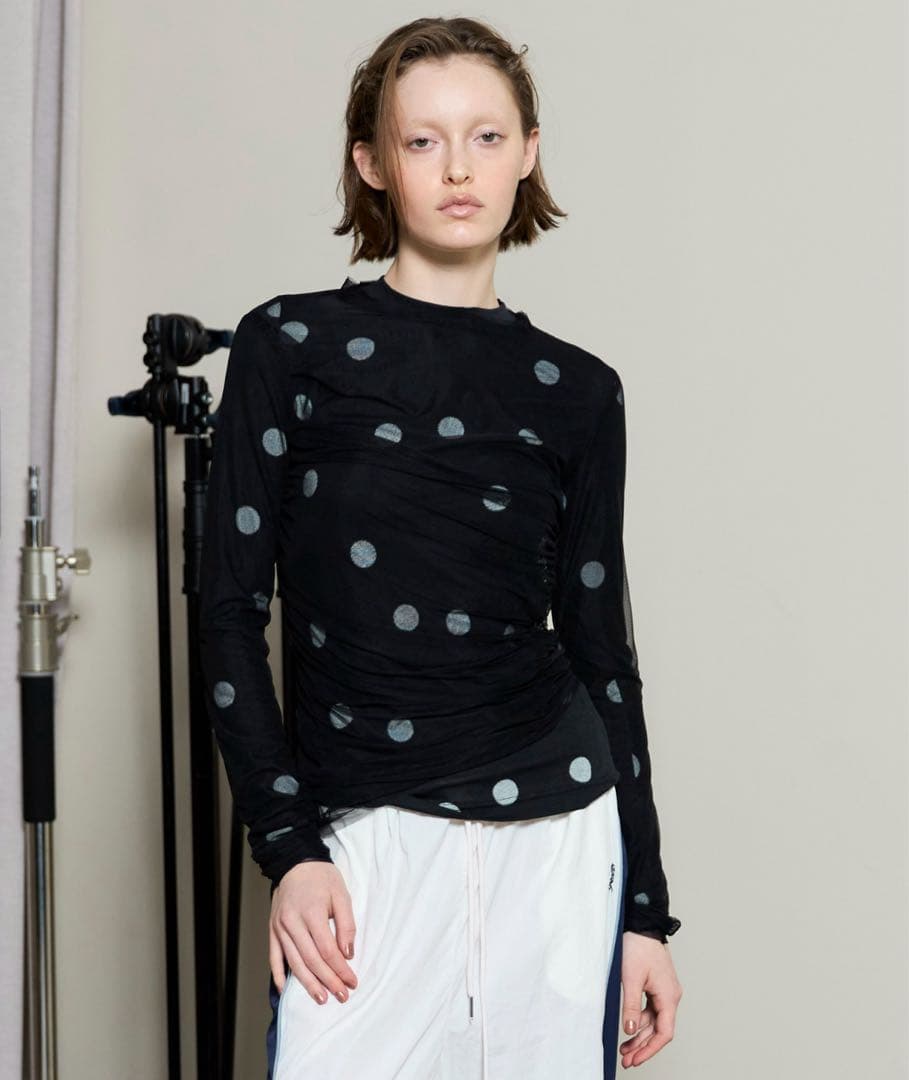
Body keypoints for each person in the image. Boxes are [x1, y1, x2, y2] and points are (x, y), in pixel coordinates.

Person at [198, 15, 683, 1080]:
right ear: (373, 162)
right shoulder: (289, 345)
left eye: (487, 137)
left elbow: (603, 652)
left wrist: (645, 912)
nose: (458, 169)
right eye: (423, 141)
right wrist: (289, 849)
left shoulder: (580, 390)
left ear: (529, 153)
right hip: (364, 838)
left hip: (558, 835)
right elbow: (227, 613)